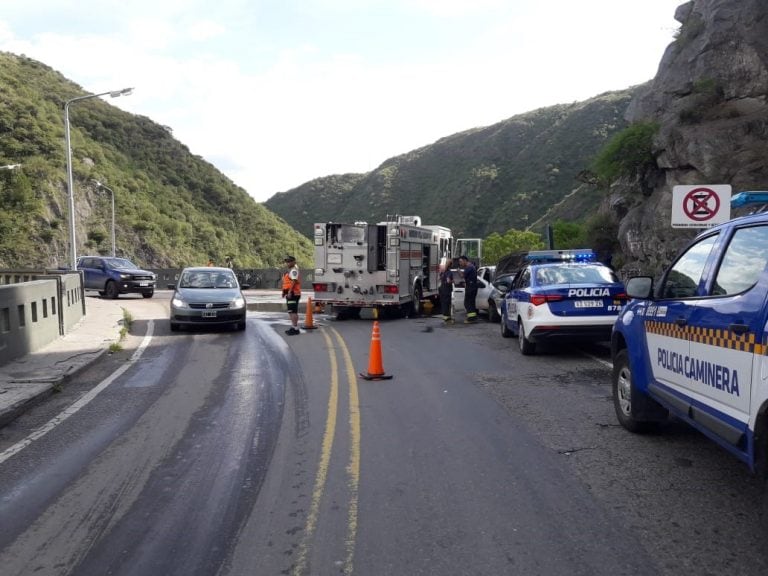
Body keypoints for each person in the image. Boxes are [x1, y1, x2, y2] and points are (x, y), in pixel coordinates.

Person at [282, 255, 301, 335]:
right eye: (287, 261)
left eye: (289, 261)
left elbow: (293, 281)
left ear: (294, 262)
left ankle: (295, 328)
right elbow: (287, 283)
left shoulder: (294, 270)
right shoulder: (290, 270)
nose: (288, 263)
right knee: (291, 311)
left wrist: (289, 291)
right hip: (291, 293)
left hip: (293, 294)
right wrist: (284, 292)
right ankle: (294, 327)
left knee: (293, 311)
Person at [459, 255, 478, 323]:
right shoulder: (471, 267)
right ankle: (473, 317)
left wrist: (458, 271)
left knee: (468, 303)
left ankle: (471, 318)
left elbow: (462, 276)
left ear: (465, 261)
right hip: (471, 287)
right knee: (471, 303)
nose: (460, 263)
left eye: (461, 261)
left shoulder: (469, 267)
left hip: (471, 288)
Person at [438, 258, 455, 324]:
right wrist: (452, 281)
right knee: (447, 303)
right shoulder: (449, 273)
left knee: (443, 303)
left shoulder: (443, 272)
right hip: (446, 290)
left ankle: (445, 316)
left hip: (442, 289)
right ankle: (447, 317)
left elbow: (439, 278)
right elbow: (448, 281)